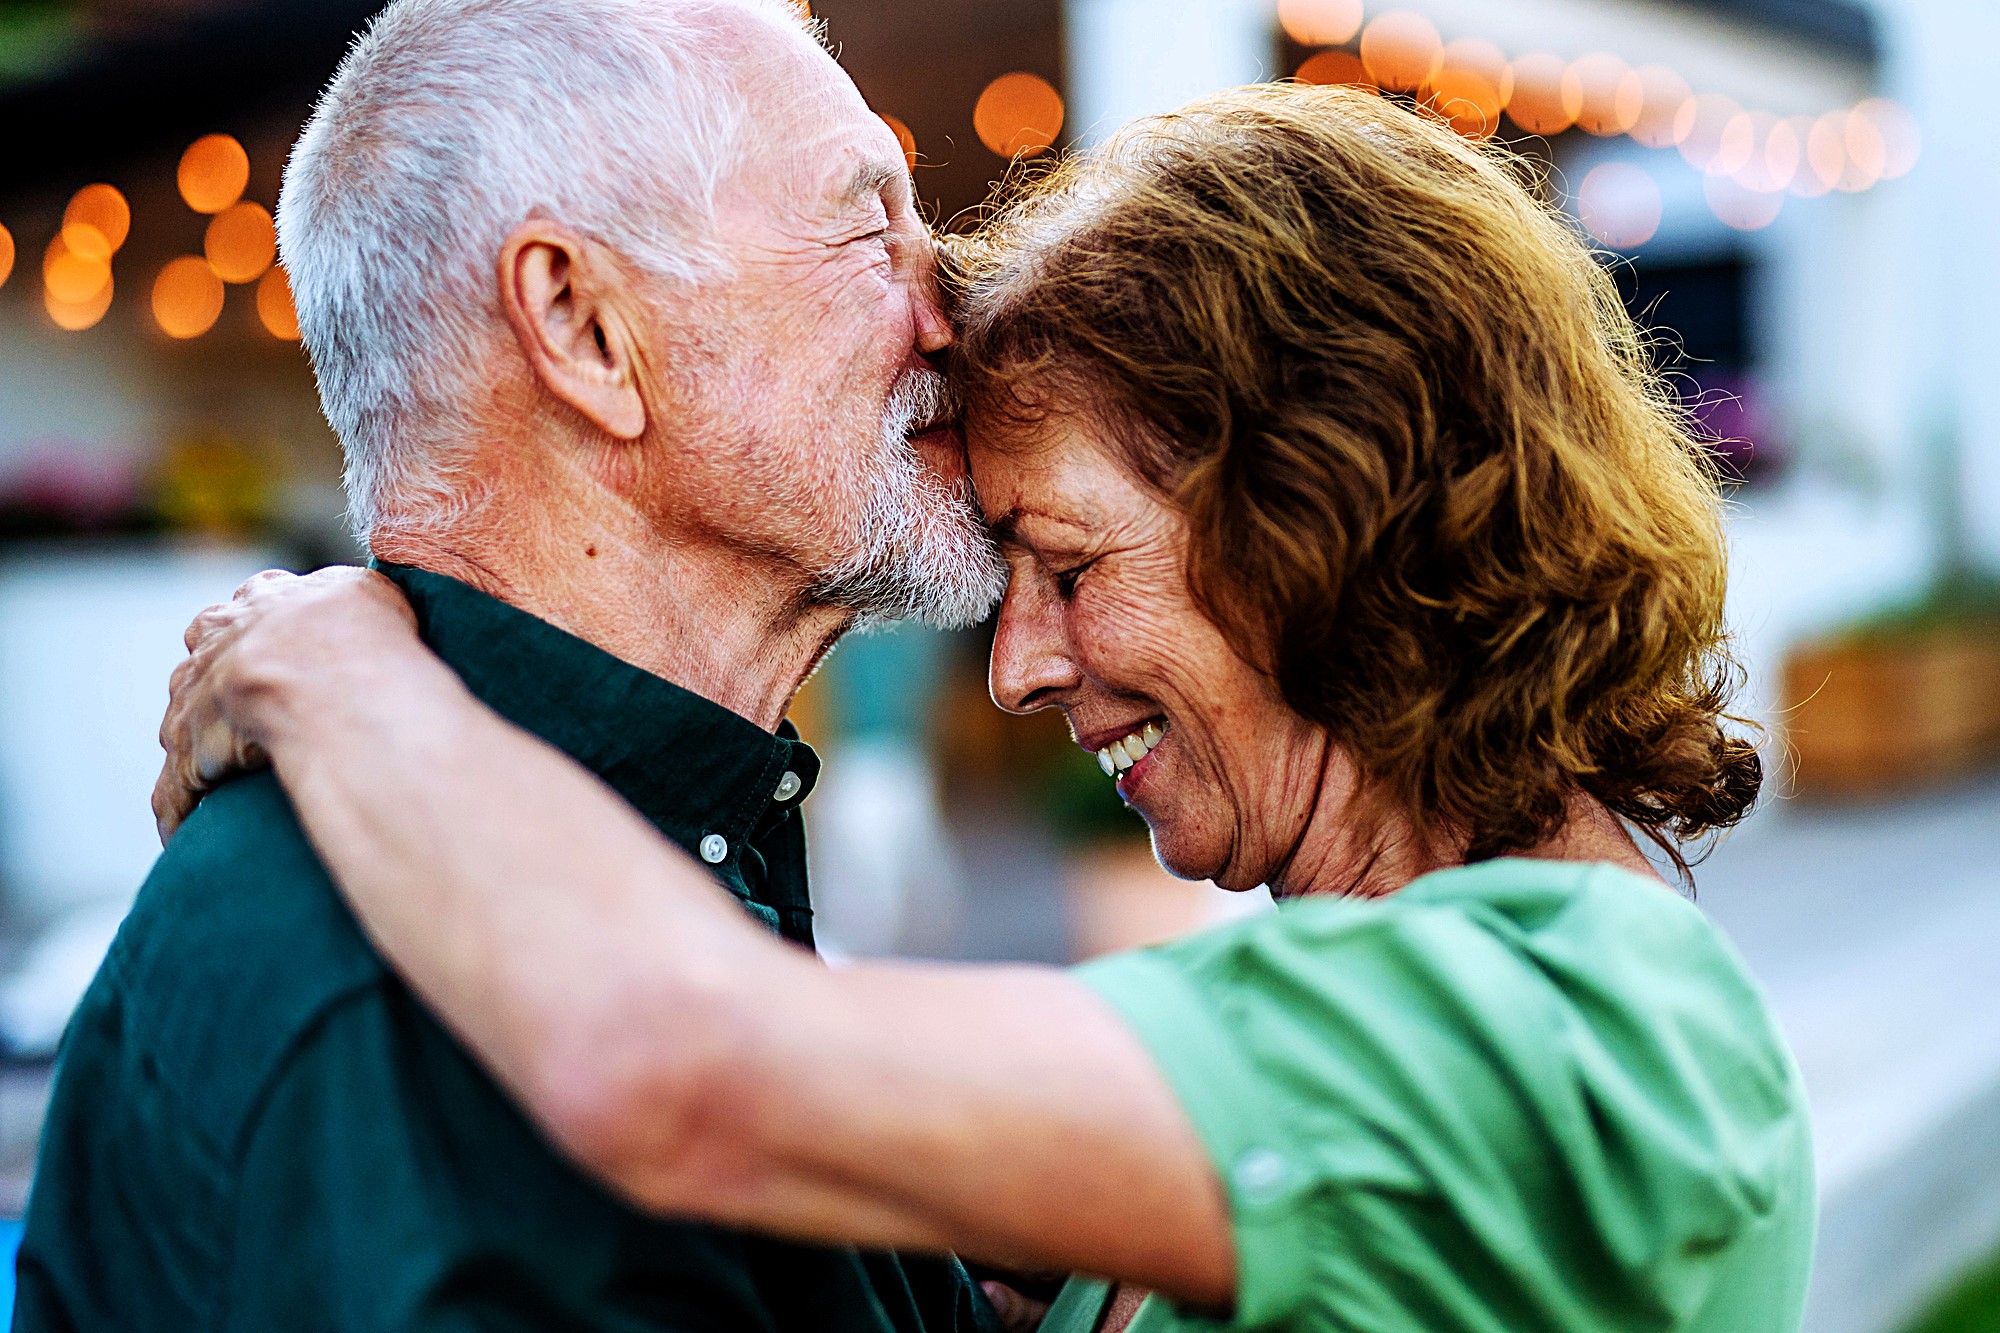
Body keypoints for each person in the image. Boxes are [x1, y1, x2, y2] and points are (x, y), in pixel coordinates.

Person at [153, 85, 1816, 1333]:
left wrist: (349, 670)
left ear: (1331, 522)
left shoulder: (1565, 1036)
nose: (1014, 667)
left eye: (1069, 565)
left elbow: (671, 1062)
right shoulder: (1372, 999)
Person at [13, 1, 1009, 1330]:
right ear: (584, 326)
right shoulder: (403, 990)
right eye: (867, 225)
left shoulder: (633, 851)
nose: (953, 311)